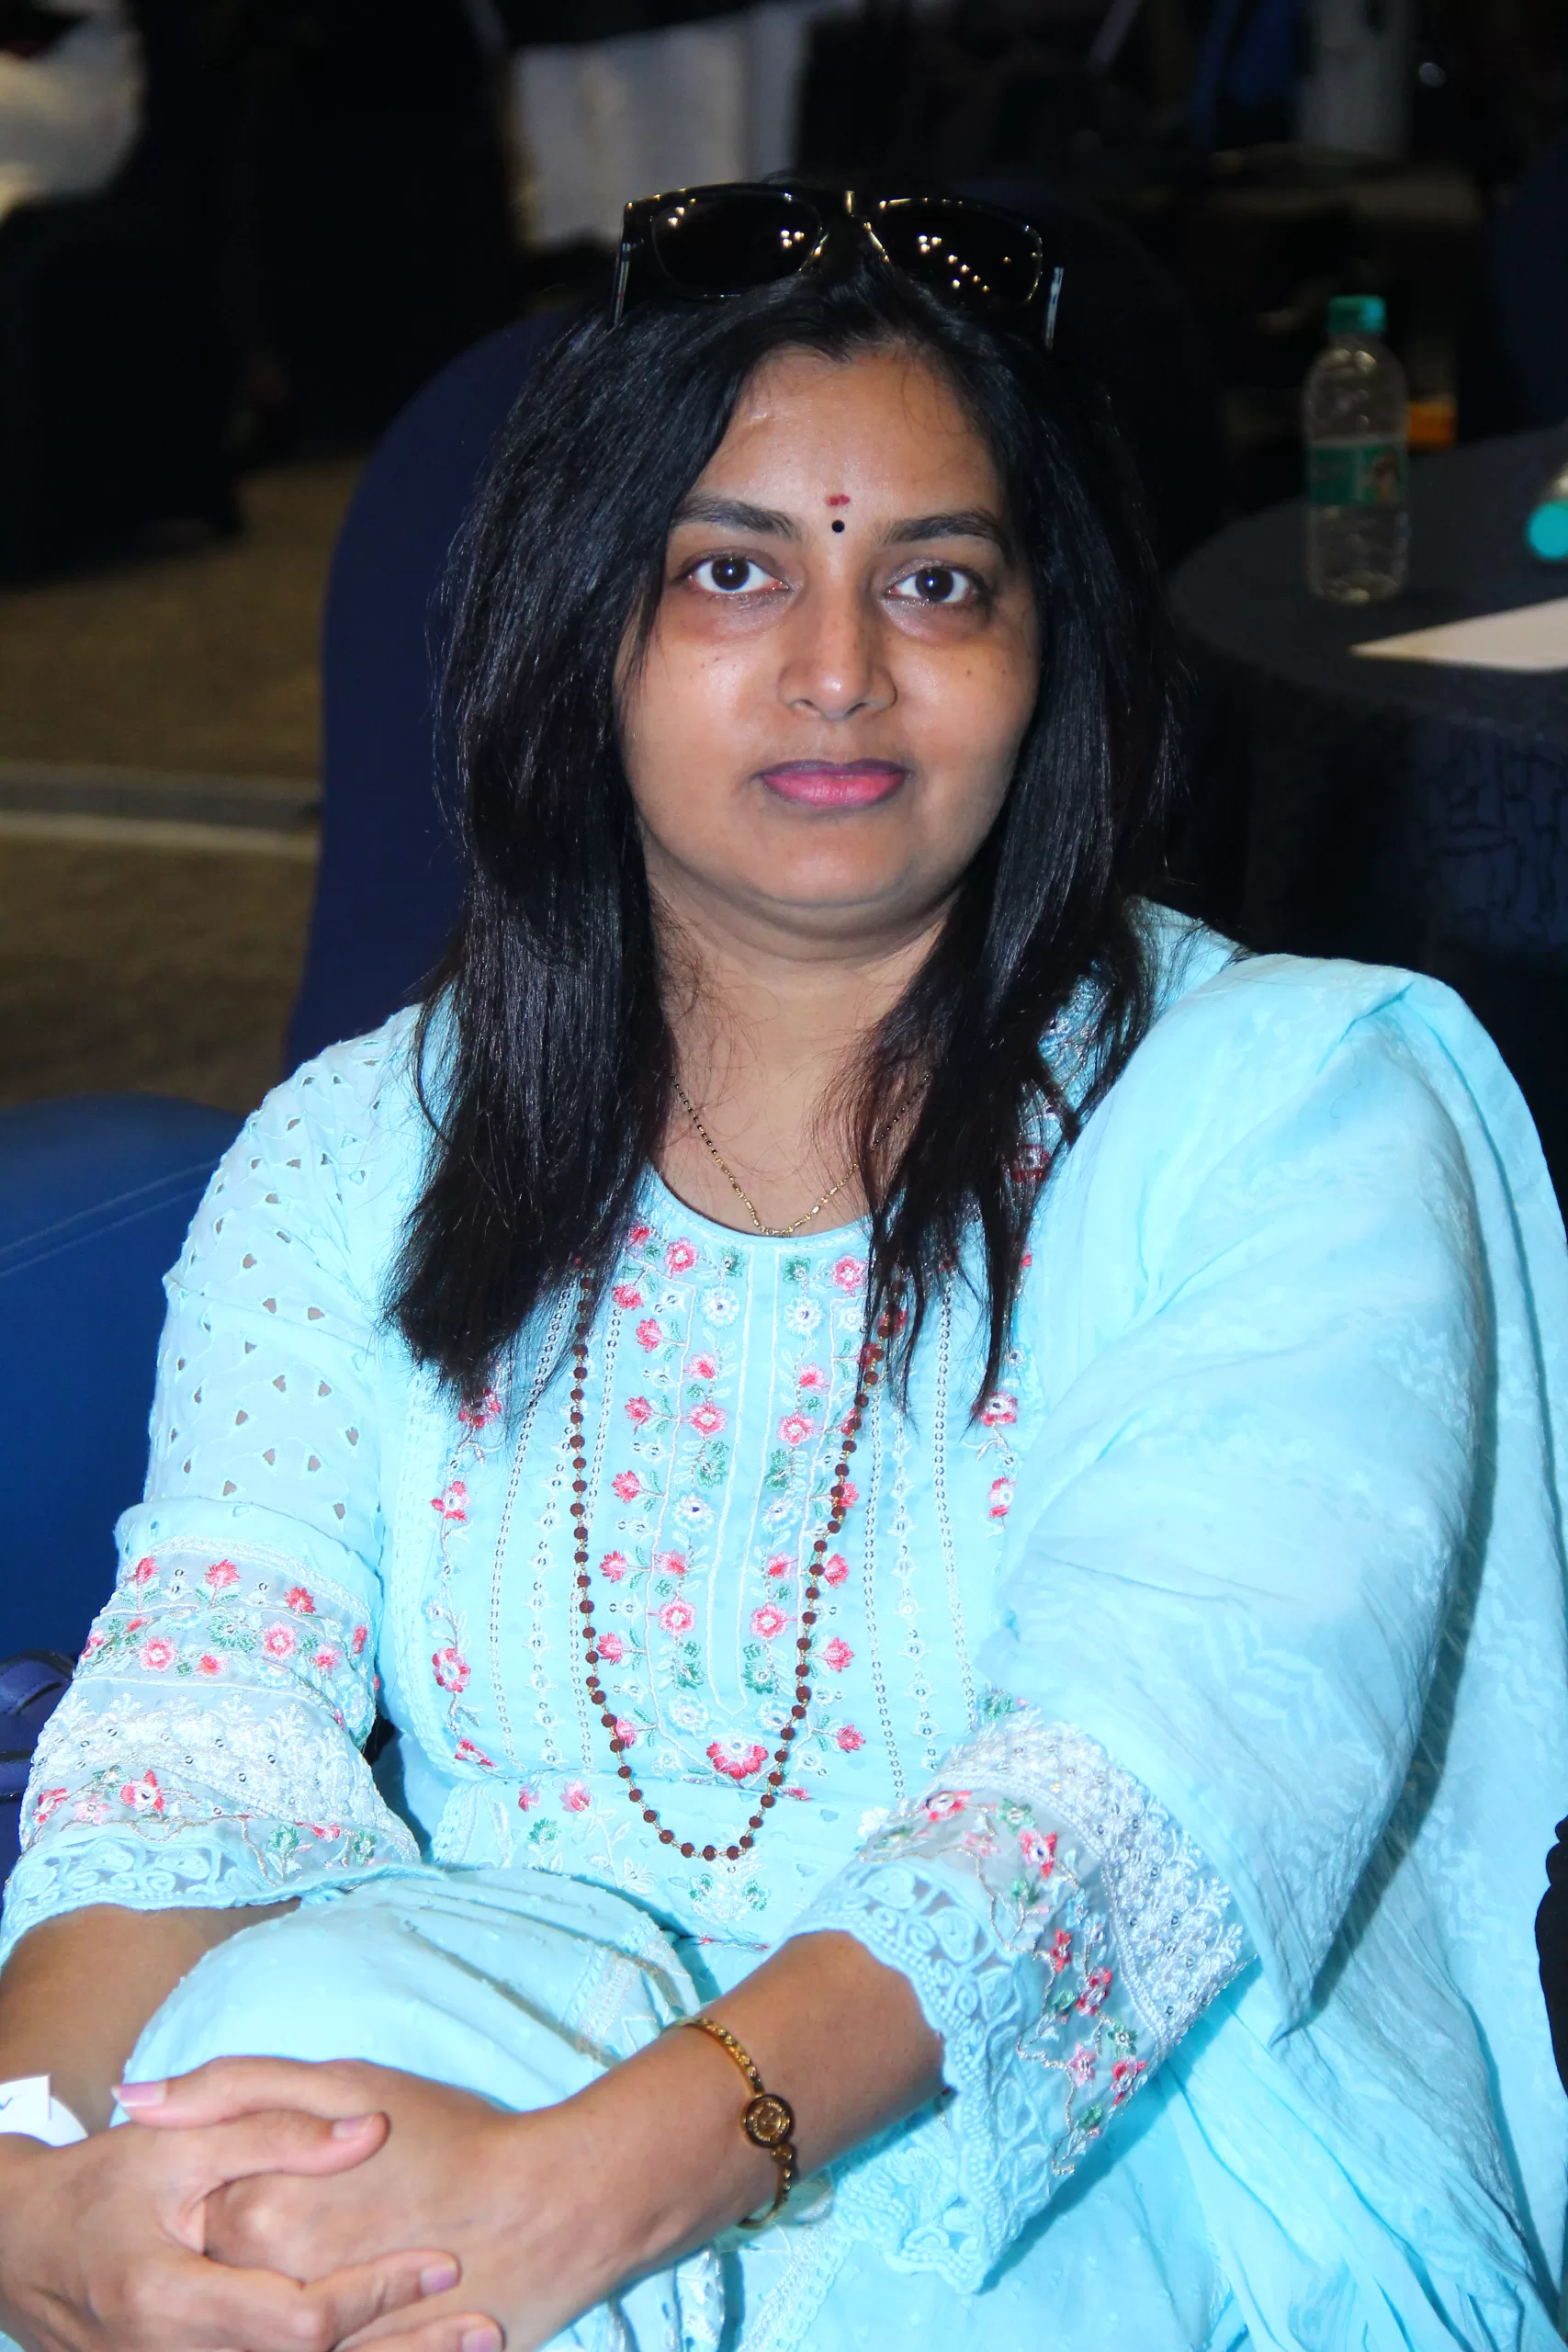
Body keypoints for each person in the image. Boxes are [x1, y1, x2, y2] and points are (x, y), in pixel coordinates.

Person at [0, 183, 1563, 2352]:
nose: (840, 671)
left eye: (936, 579)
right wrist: (34, 2191)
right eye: (731, 572)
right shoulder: (364, 1151)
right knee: (260, 2128)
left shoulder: (1288, 1110)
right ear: (583, 628)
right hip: (457, 2074)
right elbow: (196, 1741)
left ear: (1048, 650)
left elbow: (1127, 1801)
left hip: (1105, 2143)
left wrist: (579, 2190)